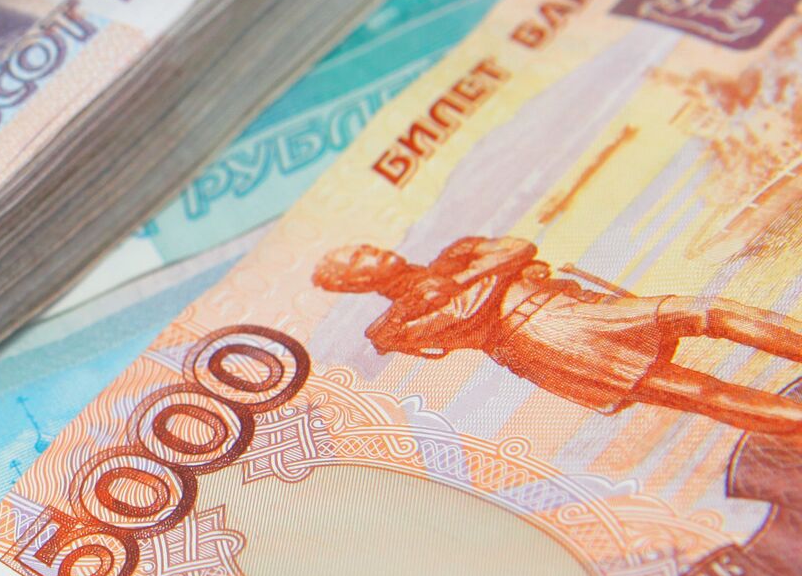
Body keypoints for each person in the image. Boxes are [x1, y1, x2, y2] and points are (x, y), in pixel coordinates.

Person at [313, 236, 802, 435]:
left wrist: (463, 280)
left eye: (364, 246)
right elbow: (466, 318)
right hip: (543, 344)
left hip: (576, 307)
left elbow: (518, 248)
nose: (371, 252)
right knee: (697, 392)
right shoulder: (391, 327)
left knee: (708, 312)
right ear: (353, 283)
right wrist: (490, 280)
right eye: (357, 258)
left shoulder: (455, 255)